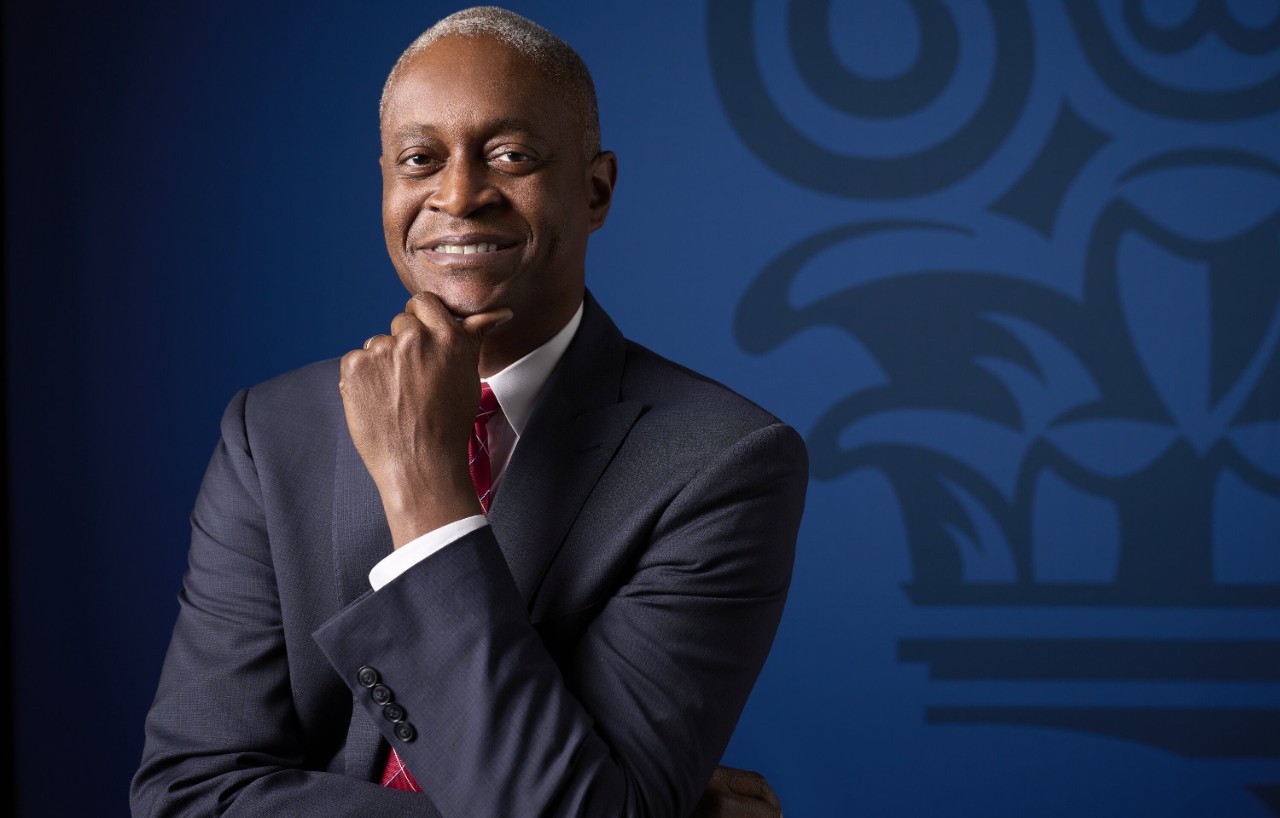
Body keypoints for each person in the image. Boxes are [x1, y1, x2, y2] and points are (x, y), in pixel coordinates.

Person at [131, 7, 806, 817]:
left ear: (595, 190)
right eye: (420, 160)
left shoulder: (723, 461)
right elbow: (189, 794)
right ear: (385, 187)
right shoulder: (269, 435)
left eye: (510, 155)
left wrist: (424, 484)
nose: (458, 195)